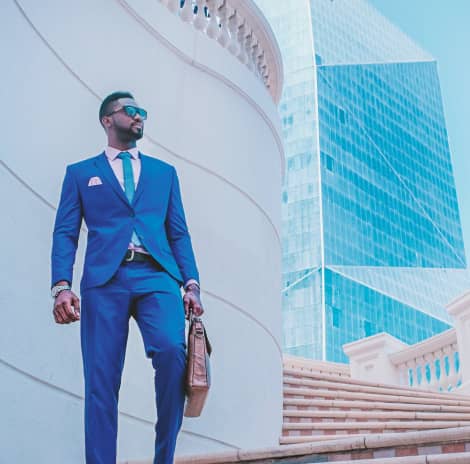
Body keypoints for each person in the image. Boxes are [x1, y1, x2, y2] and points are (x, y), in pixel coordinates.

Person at [50, 91, 203, 464]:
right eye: (131, 111)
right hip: (105, 282)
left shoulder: (164, 174)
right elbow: (65, 233)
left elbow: (178, 232)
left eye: (142, 112)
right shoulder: (81, 174)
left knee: (171, 353)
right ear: (107, 119)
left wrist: (192, 283)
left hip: (157, 276)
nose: (139, 117)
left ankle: (163, 457)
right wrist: (61, 286)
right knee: (101, 382)